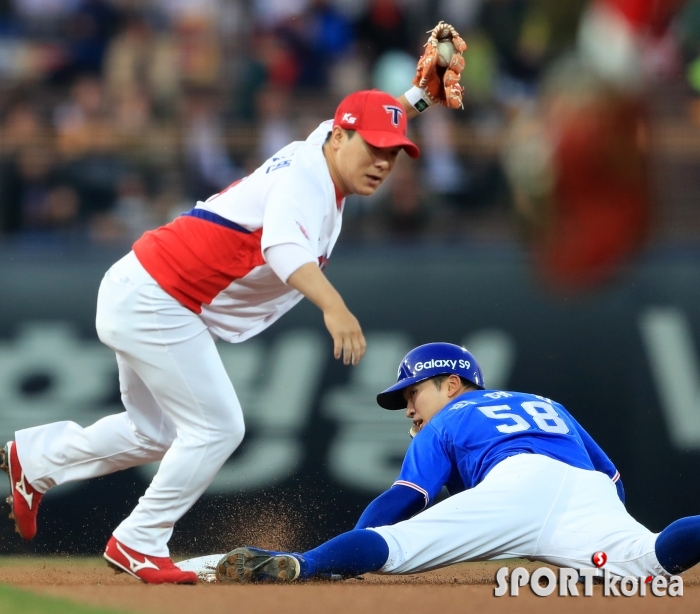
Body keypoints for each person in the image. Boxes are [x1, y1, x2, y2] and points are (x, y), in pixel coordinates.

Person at [0, 22, 468, 585]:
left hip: (150, 287)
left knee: (155, 431)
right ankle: (139, 540)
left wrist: (417, 98)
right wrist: (332, 306)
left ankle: (37, 460)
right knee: (218, 427)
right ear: (341, 139)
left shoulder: (328, 143)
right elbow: (281, 247)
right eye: (375, 149)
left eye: (394, 155)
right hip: (159, 294)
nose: (383, 163)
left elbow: (370, 117)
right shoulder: (307, 179)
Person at [206, 342, 700, 584]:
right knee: (655, 561)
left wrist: (346, 560)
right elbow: (612, 480)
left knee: (393, 546)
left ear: (451, 384)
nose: (409, 409)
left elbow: (403, 498)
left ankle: (304, 564)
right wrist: (584, 530)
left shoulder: (448, 418)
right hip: (586, 492)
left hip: (513, 485)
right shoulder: (546, 402)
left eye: (413, 392)